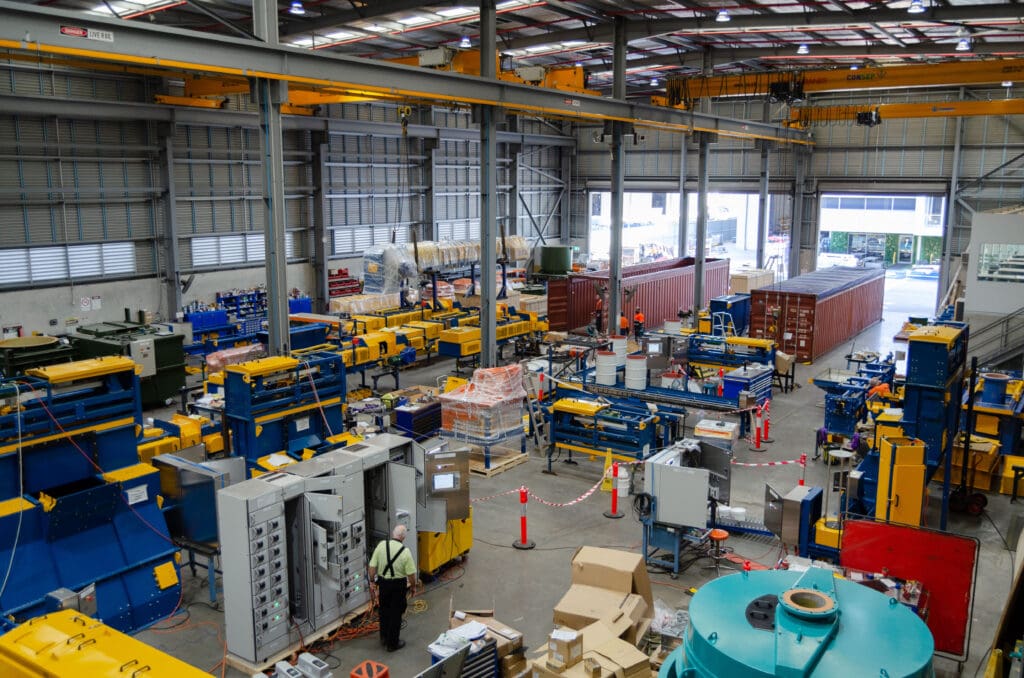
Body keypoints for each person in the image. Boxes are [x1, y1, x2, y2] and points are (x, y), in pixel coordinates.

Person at [368, 524, 417, 652]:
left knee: (384, 611)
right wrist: (413, 587)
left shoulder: (381, 545)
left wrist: (372, 581)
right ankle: (392, 644)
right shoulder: (405, 552)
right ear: (404, 538)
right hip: (398, 586)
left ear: (393, 534)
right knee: (396, 614)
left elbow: (372, 567)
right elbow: (411, 575)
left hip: (383, 584)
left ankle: (384, 638)